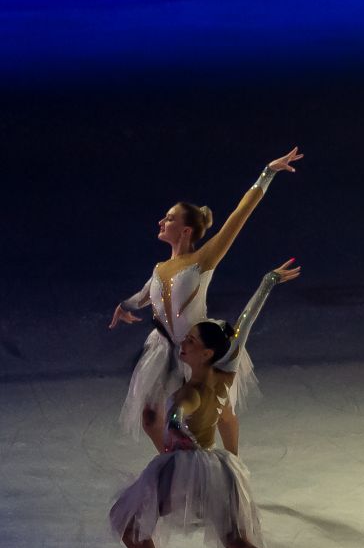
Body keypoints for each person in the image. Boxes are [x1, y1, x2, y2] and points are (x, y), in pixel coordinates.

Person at [113, 262, 311, 548]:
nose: (182, 345)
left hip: (182, 468)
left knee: (127, 522)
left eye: (189, 343)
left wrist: (175, 426)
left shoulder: (190, 390)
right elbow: (246, 322)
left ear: (204, 353)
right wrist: (266, 282)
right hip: (218, 471)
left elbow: (181, 412)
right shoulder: (226, 370)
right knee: (237, 540)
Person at [111, 148, 304, 453]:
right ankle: (175, 462)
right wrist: (124, 306)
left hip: (198, 346)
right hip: (163, 350)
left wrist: (268, 172)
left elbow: (238, 217)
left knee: (219, 412)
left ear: (185, 230)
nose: (161, 221)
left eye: (169, 218)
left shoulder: (203, 259)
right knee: (150, 418)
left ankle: (232, 463)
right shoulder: (160, 268)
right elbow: (145, 295)